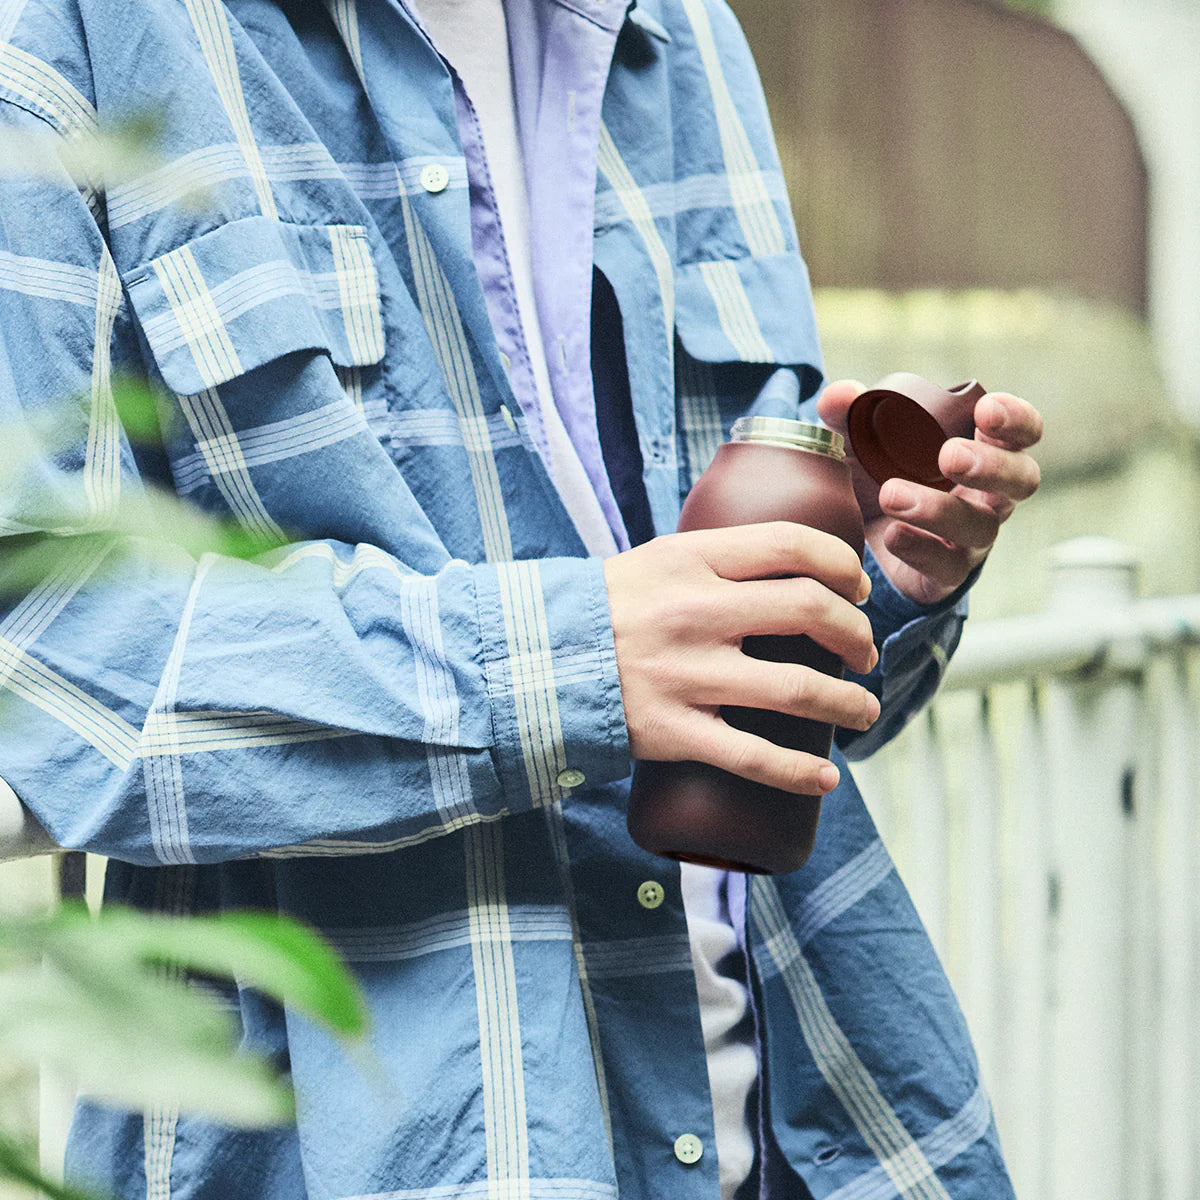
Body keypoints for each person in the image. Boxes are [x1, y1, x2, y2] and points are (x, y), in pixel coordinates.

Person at [0, 0, 1041, 1197]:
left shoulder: (684, 35)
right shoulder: (81, 33)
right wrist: (574, 662)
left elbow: (759, 692)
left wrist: (883, 582)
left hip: (811, 1130)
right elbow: (47, 648)